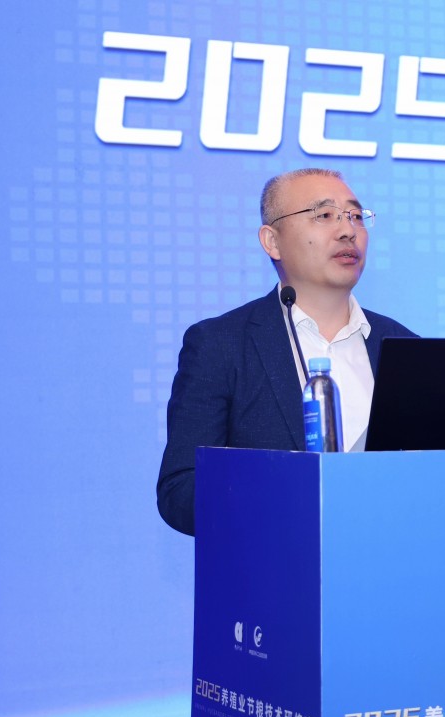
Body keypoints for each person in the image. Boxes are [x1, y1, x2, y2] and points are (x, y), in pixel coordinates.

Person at [156, 168, 417, 535]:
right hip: (277, 564)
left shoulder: (406, 348)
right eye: (324, 215)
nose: (348, 230)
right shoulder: (221, 345)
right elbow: (181, 491)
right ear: (272, 241)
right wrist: (282, 494)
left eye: (356, 216)